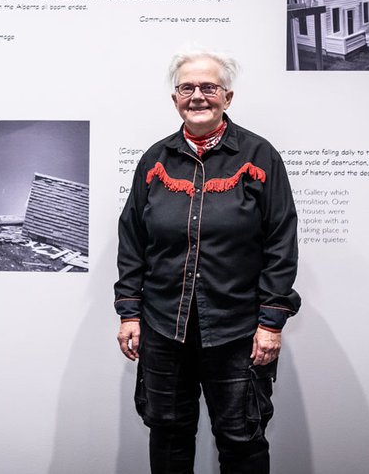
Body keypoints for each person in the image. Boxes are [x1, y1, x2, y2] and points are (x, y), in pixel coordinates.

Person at [114, 47, 301, 474]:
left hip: (237, 331)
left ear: (227, 98)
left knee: (241, 440)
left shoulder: (259, 157)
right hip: (164, 329)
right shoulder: (154, 160)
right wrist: (129, 313)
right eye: (187, 88)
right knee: (168, 434)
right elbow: (132, 241)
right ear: (175, 98)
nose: (198, 96)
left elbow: (280, 241)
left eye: (208, 87)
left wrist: (271, 322)